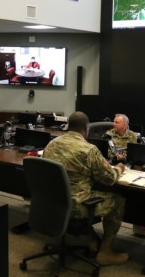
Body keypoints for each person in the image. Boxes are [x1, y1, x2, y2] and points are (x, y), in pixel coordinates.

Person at [43, 111, 129, 266]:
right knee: (118, 199)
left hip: (54, 202)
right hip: (77, 206)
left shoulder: (51, 144)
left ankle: (91, 240)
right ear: (85, 128)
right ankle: (106, 252)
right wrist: (120, 168)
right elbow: (109, 178)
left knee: (89, 194)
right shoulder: (89, 150)